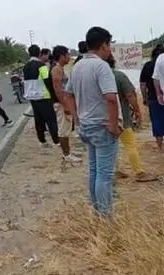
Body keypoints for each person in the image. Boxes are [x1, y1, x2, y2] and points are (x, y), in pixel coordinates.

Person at [65, 27, 121, 218]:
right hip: (102, 126)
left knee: (94, 171)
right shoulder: (101, 67)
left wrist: (77, 117)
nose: (110, 49)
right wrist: (114, 125)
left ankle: (98, 211)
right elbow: (111, 98)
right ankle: (105, 217)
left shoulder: (78, 66)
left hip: (87, 126)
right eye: (109, 45)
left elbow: (69, 94)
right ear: (104, 44)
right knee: (104, 175)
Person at [107, 54, 159, 182]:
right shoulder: (119, 76)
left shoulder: (95, 77)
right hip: (121, 117)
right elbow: (130, 94)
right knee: (130, 145)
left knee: (108, 146)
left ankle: (113, 170)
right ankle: (139, 172)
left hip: (101, 118)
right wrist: (137, 110)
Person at [23, 44, 59, 148]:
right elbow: (47, 81)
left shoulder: (26, 66)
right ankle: (56, 141)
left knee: (38, 120)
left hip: (31, 96)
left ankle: (42, 141)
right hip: (43, 95)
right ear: (39, 53)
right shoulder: (41, 66)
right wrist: (54, 96)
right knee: (51, 120)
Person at [50, 45, 82, 163]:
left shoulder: (60, 68)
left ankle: (68, 151)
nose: (69, 57)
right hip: (61, 103)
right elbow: (57, 89)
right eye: (68, 54)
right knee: (63, 129)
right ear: (62, 56)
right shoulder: (56, 69)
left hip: (63, 102)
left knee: (67, 128)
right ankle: (66, 154)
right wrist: (66, 105)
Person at [139, 44, 164, 151]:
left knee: (157, 121)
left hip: (153, 97)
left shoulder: (148, 65)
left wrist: (144, 97)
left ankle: (159, 145)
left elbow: (142, 84)